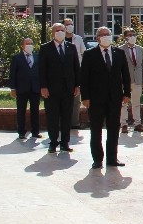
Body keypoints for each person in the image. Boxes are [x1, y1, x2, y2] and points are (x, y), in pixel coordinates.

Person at [80, 27, 131, 169]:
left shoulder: (119, 53)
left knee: (114, 128)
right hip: (96, 98)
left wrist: (127, 93)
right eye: (103, 35)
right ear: (98, 38)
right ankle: (97, 159)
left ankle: (112, 158)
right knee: (96, 129)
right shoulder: (89, 54)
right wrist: (85, 97)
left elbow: (125, 75)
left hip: (114, 97)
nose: (106, 37)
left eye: (108, 34)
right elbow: (84, 77)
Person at [38, 22, 79, 154]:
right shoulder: (45, 48)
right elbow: (41, 69)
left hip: (68, 88)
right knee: (52, 117)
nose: (60, 32)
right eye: (57, 30)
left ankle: (65, 142)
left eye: (62, 30)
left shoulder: (71, 47)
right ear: (52, 33)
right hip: (51, 89)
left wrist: (77, 85)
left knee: (67, 116)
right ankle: (53, 142)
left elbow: (76, 67)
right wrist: (43, 86)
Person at [9, 37, 41, 140]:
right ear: (22, 46)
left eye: (31, 43)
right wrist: (13, 88)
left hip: (35, 88)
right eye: (27, 44)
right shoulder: (17, 58)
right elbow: (12, 74)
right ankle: (21, 132)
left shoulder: (37, 57)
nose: (29, 45)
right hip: (21, 89)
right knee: (21, 111)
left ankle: (35, 131)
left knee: (35, 111)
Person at [118, 28, 143, 135]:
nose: (132, 36)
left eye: (133, 34)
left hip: (137, 80)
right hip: (125, 81)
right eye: (130, 35)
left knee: (136, 103)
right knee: (123, 103)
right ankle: (124, 124)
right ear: (125, 37)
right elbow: (119, 67)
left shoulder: (140, 49)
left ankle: (137, 124)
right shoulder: (120, 50)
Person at [63, 18, 86, 129]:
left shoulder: (78, 39)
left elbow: (83, 53)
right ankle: (63, 122)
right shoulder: (59, 39)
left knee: (76, 99)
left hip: (77, 71)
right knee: (63, 99)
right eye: (67, 24)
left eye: (71, 24)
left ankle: (75, 123)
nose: (70, 26)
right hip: (63, 72)